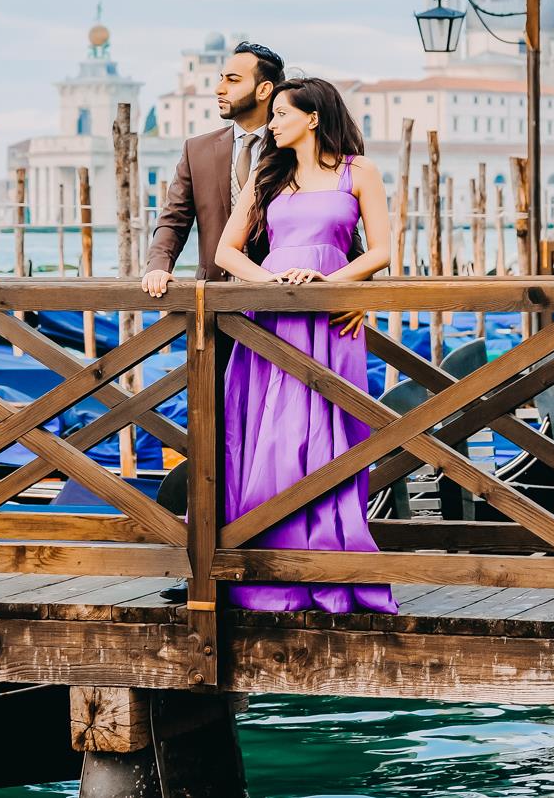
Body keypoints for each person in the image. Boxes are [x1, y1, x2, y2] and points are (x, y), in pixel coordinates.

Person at [211, 77, 396, 614]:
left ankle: (332, 559)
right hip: (271, 318)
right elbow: (228, 250)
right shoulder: (267, 176)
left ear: (312, 118)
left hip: (332, 318)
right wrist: (268, 285)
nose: (272, 123)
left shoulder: (359, 172)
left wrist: (341, 287)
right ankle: (271, 563)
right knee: (271, 432)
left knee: (333, 433)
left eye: (282, 114)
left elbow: (381, 250)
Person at [142, 41, 284, 295]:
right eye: (221, 79)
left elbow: (337, 224)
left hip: (282, 299)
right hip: (213, 302)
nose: (219, 89)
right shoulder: (196, 151)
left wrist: (352, 293)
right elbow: (174, 221)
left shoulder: (293, 150)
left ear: (264, 90)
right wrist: (158, 267)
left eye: (232, 80)